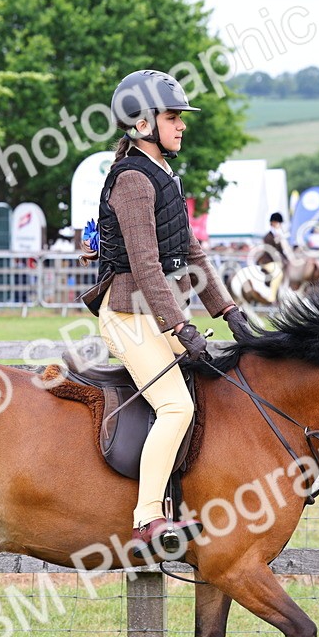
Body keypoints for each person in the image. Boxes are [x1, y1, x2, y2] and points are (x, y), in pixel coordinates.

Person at [85, 69, 253, 556]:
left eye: (180, 118)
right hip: (128, 315)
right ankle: (147, 520)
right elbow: (145, 265)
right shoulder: (134, 180)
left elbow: (192, 252)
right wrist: (180, 325)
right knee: (176, 405)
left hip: (153, 313)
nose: (181, 126)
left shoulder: (162, 176)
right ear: (142, 124)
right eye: (173, 117)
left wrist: (228, 310)